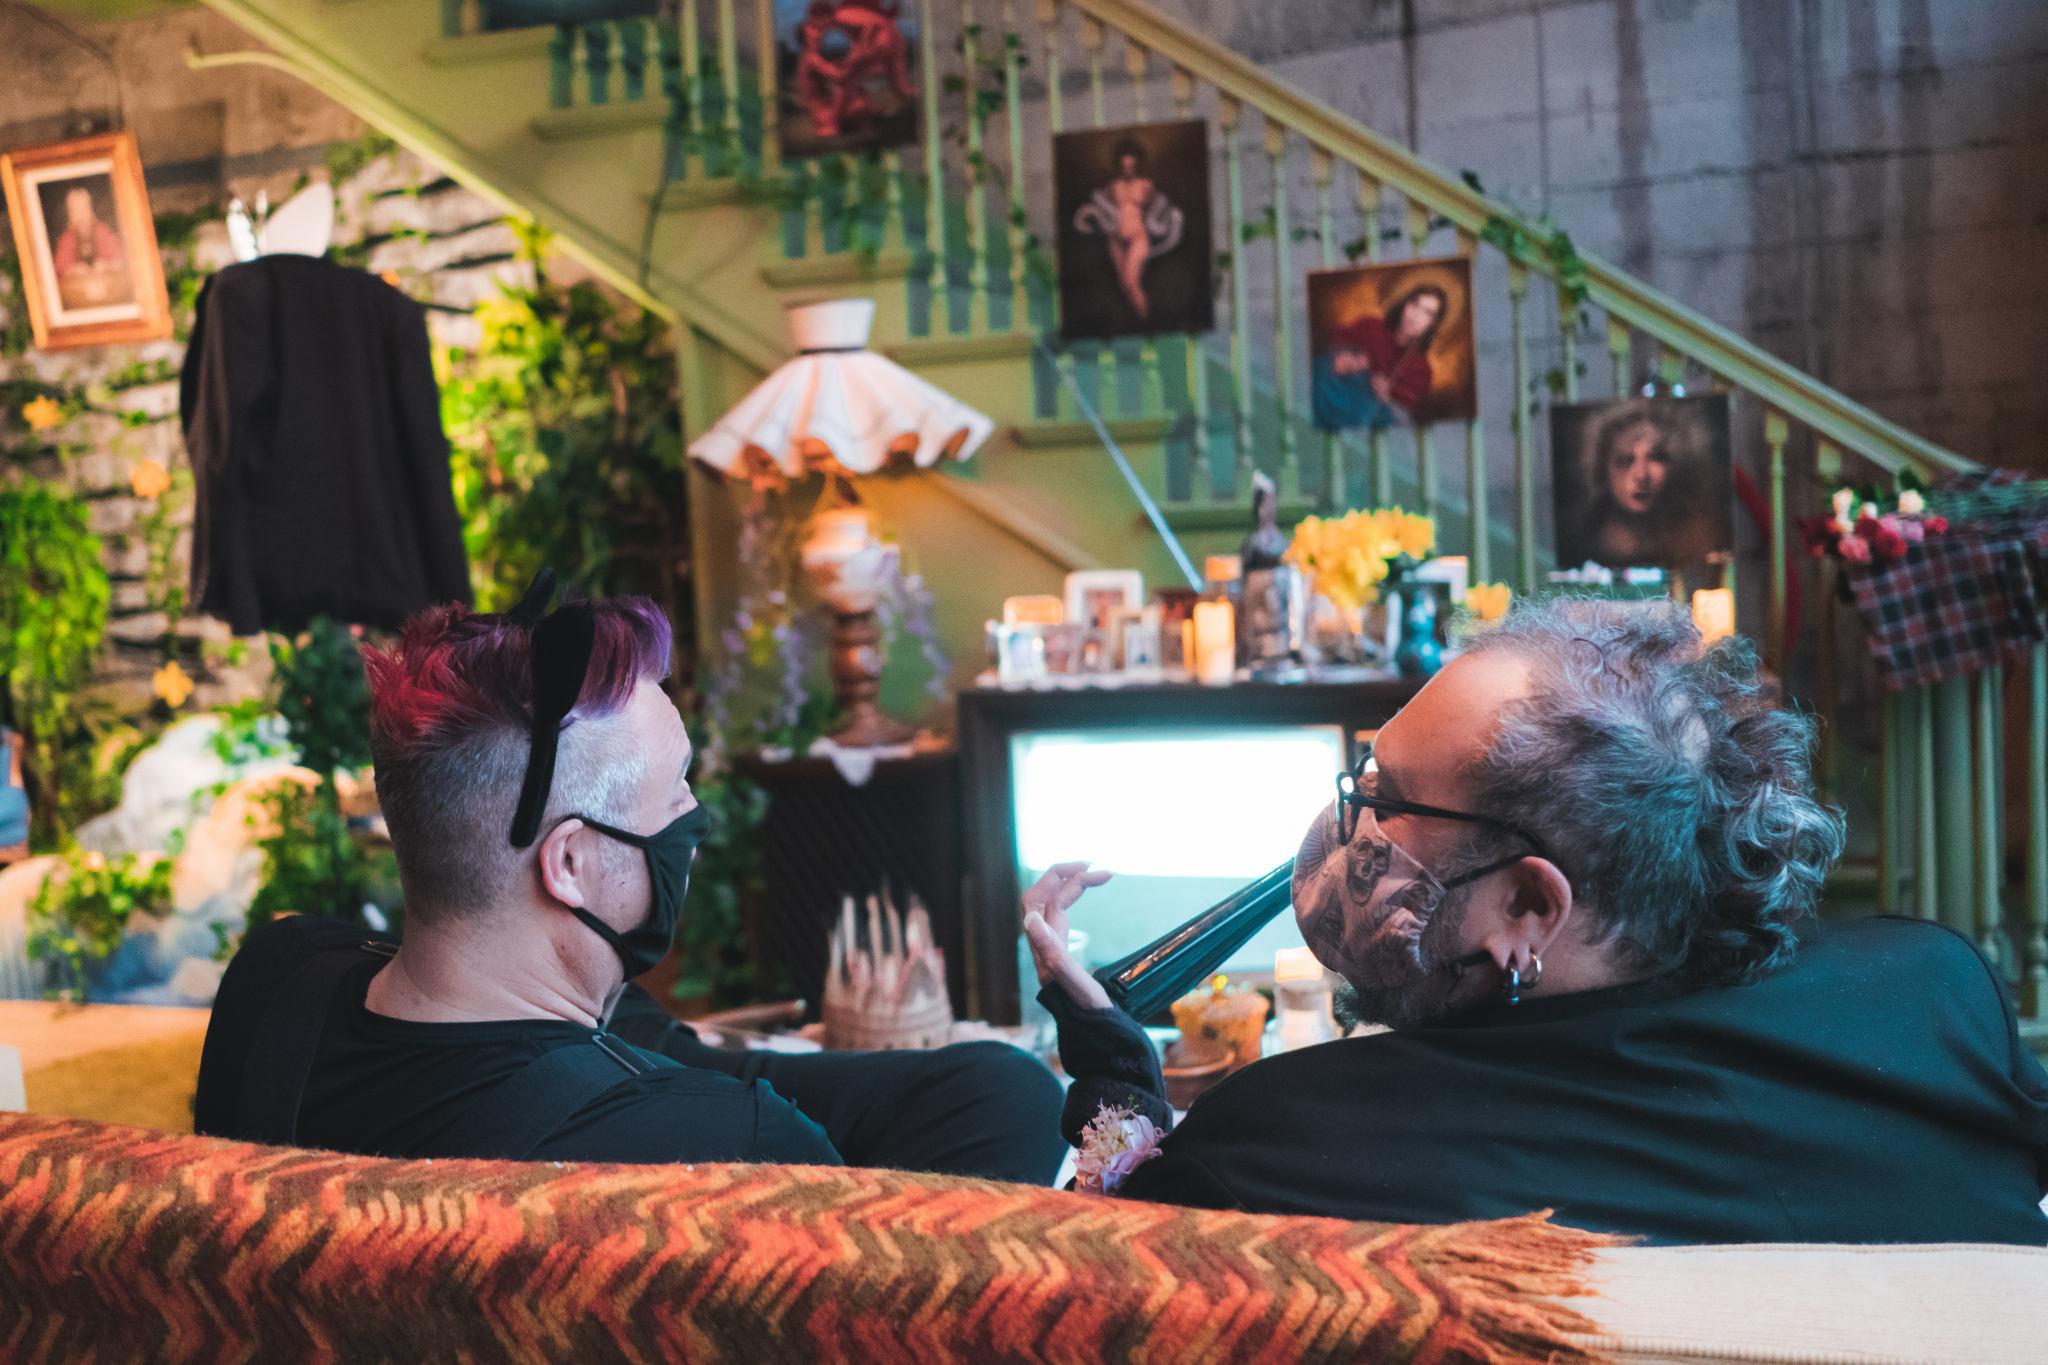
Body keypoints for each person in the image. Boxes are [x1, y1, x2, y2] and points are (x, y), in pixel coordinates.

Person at [1026, 599, 2048, 1244]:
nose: (1350, 823)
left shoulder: (1296, 1136)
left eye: (1381, 799)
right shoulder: (1930, 992)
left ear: (1524, 907)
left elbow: (1092, 1266)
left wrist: (1113, 1077)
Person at [195, 584, 1063, 1181]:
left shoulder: (278, 978)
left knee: (996, 1080)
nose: (695, 814)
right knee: (1020, 1091)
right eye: (674, 788)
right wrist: (1115, 1093)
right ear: (569, 863)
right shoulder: (726, 1149)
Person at [1560, 397, 1728, 569]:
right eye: (1625, 460)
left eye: (1656, 457)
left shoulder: (1702, 535)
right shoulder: (1587, 537)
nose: (1641, 475)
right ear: (1602, 469)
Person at [1073, 140, 1184, 321]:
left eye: (1131, 166)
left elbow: (1155, 211)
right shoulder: (1114, 186)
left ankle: (1145, 321)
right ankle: (1137, 323)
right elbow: (1100, 204)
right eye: (1124, 166)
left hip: (1137, 237)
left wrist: (1153, 228)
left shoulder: (1145, 185)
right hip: (1116, 238)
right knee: (1123, 285)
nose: (1128, 170)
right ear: (1120, 165)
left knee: (1130, 282)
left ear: (1136, 165)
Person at [1311, 284, 1444, 431]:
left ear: (1433, 324)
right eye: (1414, 304)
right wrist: (1342, 359)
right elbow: (1328, 352)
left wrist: (1385, 398)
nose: (1416, 315)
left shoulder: (1422, 372)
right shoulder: (1370, 326)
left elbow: (1404, 422)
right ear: (1404, 304)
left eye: (1428, 313)